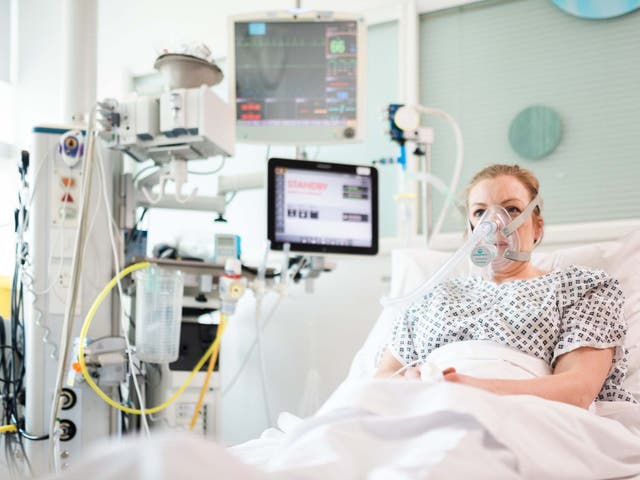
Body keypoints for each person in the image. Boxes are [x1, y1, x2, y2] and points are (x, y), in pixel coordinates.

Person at [375, 164, 635, 408]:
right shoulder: (433, 295)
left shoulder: (579, 288)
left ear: (536, 226)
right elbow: (383, 376)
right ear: (471, 229)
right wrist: (409, 384)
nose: (494, 223)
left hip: (521, 412)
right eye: (480, 212)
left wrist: (472, 389)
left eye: (510, 209)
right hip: (424, 403)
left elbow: (577, 390)